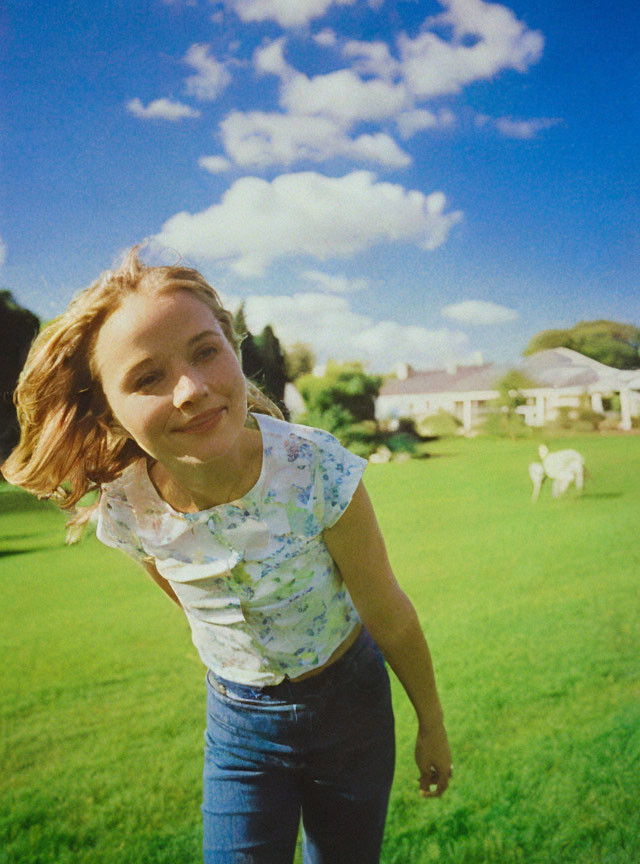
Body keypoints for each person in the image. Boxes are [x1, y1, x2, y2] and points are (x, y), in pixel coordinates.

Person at [2, 249, 452, 863]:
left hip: (351, 710)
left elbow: (389, 613)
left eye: (205, 351)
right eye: (147, 377)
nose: (191, 389)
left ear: (234, 350)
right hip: (241, 729)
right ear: (109, 408)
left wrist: (432, 722)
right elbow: (193, 606)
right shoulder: (127, 507)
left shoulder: (313, 467)